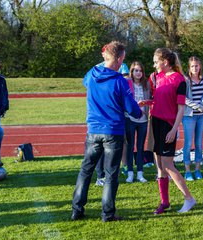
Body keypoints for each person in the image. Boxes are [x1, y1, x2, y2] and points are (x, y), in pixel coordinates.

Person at [71, 41, 142, 222]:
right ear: (118, 59)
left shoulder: (92, 75)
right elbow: (132, 109)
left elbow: (85, 81)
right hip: (113, 131)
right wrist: (138, 108)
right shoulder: (119, 81)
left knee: (86, 170)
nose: (122, 64)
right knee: (111, 174)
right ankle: (107, 213)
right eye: (122, 60)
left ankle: (77, 209)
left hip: (93, 130)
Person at [151, 48, 196, 214]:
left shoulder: (180, 80)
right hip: (155, 122)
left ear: (165, 62)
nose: (154, 65)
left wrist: (174, 129)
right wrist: (148, 102)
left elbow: (181, 108)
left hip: (168, 126)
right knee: (160, 166)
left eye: (156, 61)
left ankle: (189, 199)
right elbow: (162, 101)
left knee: (168, 165)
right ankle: (165, 202)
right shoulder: (159, 77)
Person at [182, 56, 203, 181]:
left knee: (199, 143)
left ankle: (197, 169)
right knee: (188, 143)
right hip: (189, 116)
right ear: (189, 67)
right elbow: (184, 99)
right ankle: (187, 171)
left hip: (202, 116)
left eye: (196, 66)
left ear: (200, 66)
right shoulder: (186, 80)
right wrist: (198, 106)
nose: (195, 68)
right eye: (192, 66)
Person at [125, 61, 152, 183]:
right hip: (130, 118)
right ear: (132, 71)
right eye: (136, 70)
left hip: (143, 120)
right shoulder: (127, 83)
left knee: (141, 147)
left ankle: (140, 174)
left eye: (140, 70)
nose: (138, 73)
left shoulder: (146, 83)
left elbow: (151, 99)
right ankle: (130, 173)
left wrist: (146, 102)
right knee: (130, 146)